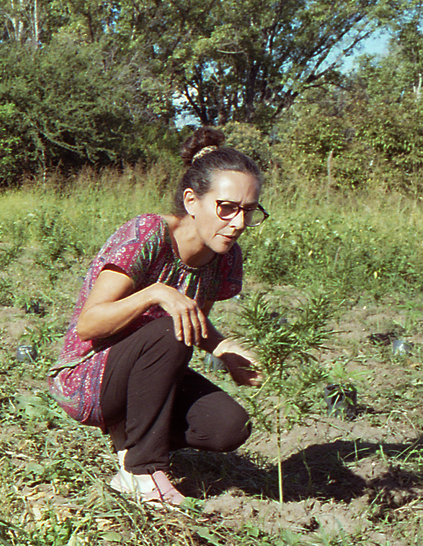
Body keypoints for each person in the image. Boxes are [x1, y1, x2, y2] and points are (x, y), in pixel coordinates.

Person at [50, 126, 265, 507]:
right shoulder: (148, 233)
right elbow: (90, 325)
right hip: (88, 375)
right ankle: (140, 470)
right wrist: (156, 293)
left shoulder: (225, 256)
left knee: (228, 426)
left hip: (144, 368)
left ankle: (132, 433)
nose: (239, 223)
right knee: (169, 324)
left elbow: (193, 323)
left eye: (249, 211)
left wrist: (224, 348)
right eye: (227, 208)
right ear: (192, 201)